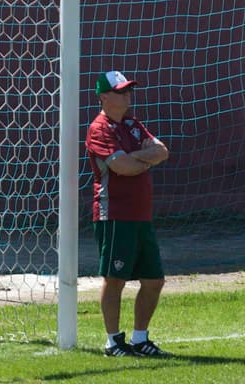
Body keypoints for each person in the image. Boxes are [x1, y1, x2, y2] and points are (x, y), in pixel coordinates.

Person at [85, 70, 170, 357]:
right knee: (115, 277)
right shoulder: (99, 128)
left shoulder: (133, 124)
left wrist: (135, 159)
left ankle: (140, 339)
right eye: (120, 91)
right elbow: (122, 168)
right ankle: (113, 342)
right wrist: (141, 160)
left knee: (154, 279)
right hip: (115, 214)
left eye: (128, 90)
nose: (127, 95)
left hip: (140, 214)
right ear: (104, 96)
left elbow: (162, 151)